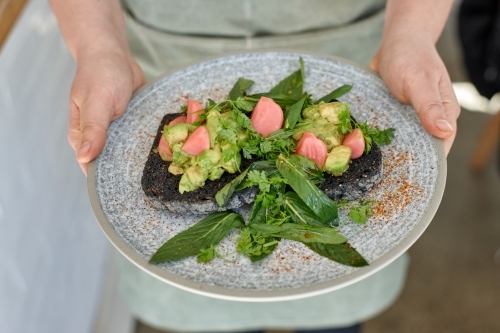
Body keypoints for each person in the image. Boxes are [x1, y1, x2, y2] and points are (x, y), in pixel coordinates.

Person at [49, 0, 460, 332]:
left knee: (332, 309)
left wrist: (412, 34)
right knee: (194, 303)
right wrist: (100, 49)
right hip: (161, 70)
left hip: (354, 56)